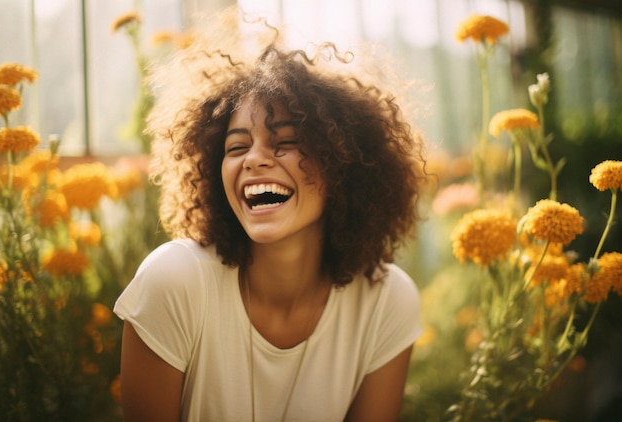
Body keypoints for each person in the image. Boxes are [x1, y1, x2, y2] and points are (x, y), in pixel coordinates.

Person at [114, 7, 427, 422]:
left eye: (285, 141)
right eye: (237, 146)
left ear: (342, 164)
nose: (255, 159)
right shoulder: (172, 283)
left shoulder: (387, 302)